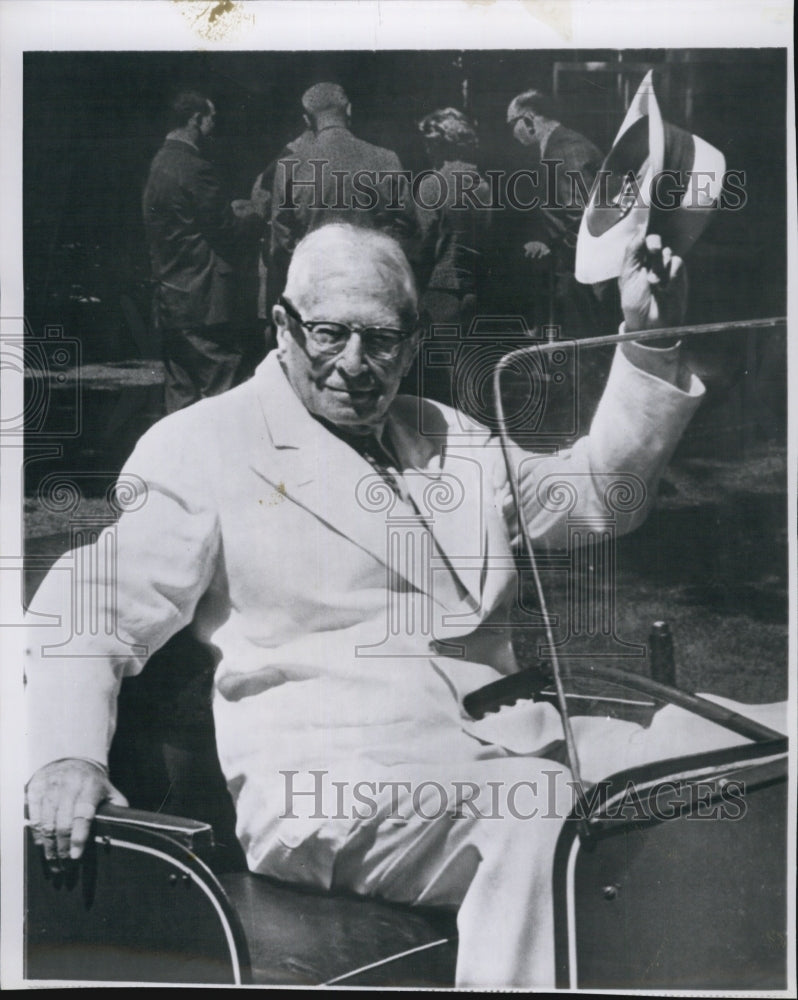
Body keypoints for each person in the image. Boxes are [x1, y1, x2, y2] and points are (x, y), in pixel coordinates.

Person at [28, 222, 723, 987]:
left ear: (415, 337)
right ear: (283, 326)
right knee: (538, 812)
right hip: (330, 786)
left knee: (736, 747)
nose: (355, 366)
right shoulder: (204, 443)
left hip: (509, 748)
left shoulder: (445, 435)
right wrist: (68, 756)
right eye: (329, 334)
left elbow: (596, 501)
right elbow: (88, 608)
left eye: (382, 340)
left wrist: (651, 342)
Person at [142, 90, 263, 413]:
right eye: (212, 118)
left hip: (172, 299)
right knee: (222, 389)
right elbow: (226, 231)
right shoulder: (194, 167)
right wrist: (256, 214)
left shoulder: (160, 162)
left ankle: (175, 461)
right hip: (205, 301)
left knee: (181, 393)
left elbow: (185, 226)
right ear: (196, 119)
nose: (214, 125)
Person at [269, 83, 421, 295]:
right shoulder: (386, 159)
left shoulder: (290, 167)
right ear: (349, 110)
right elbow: (408, 227)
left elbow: (281, 243)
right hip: (372, 284)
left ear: (307, 120)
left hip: (315, 286)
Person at [506, 89, 613, 338]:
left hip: (582, 276)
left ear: (529, 121)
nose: (511, 134)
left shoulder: (566, 149)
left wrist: (557, 253)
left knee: (583, 352)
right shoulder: (559, 146)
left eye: (512, 125)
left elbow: (581, 218)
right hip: (577, 273)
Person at [413, 108, 494, 409]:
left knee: (440, 381)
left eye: (429, 142)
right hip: (472, 289)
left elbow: (422, 244)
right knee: (468, 374)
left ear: (441, 143)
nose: (426, 149)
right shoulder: (482, 184)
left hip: (438, 291)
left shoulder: (433, 184)